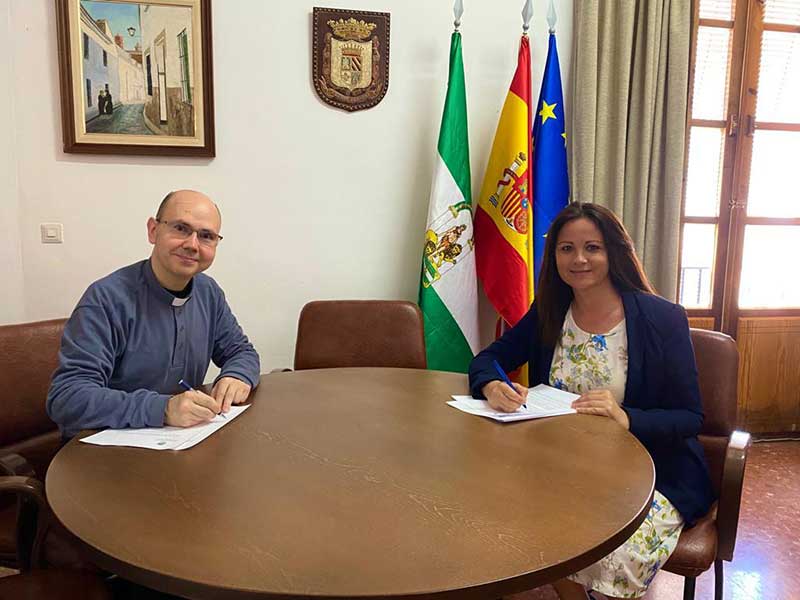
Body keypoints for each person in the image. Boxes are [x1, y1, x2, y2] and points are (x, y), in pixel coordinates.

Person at [468, 202, 714, 600]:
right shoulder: (550, 312)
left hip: (651, 473)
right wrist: (492, 386)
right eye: (566, 248)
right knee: (530, 533)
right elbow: (488, 359)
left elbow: (690, 417)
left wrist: (626, 418)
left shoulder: (662, 318)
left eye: (592, 247)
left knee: (618, 556)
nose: (578, 259)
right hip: (562, 466)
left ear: (613, 252)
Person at [48, 190, 260, 439]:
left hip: (177, 444)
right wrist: (164, 409)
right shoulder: (106, 299)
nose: (192, 244)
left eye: (206, 236)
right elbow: (67, 397)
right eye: (181, 228)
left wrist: (238, 374)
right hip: (102, 454)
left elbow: (241, 352)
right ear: (153, 231)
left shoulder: (208, 292)